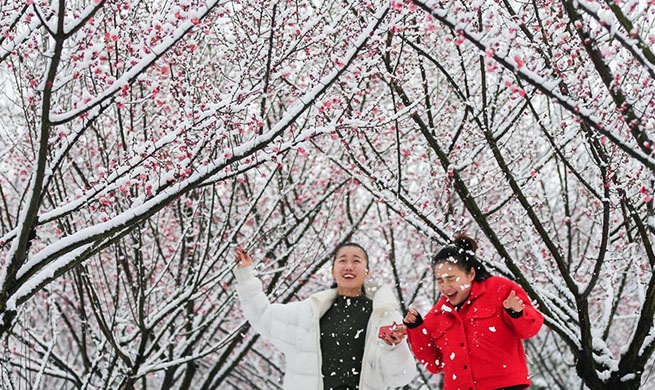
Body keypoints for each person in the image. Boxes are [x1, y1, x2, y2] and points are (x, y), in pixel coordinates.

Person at [234, 242, 417, 390]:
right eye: (342, 260)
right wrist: (245, 276)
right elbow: (263, 316)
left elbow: (402, 376)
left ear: (367, 271)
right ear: (332, 270)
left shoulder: (383, 315)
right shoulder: (308, 313)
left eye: (356, 261)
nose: (349, 266)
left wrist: (393, 347)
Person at [403, 234, 543, 390]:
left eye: (451, 278)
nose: (444, 286)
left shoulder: (499, 290)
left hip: (504, 386)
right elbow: (434, 364)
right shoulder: (438, 314)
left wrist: (517, 312)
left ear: (471, 274)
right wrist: (416, 328)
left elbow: (530, 329)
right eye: (440, 280)